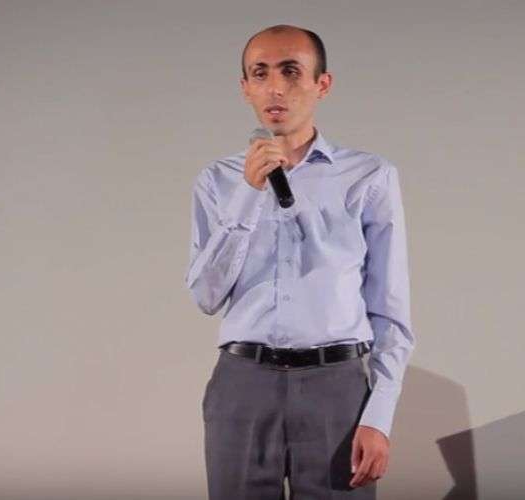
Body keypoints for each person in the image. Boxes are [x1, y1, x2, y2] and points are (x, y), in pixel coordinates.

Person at [185, 24, 415, 499]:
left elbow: (391, 309)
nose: (275, 87)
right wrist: (249, 194)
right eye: (260, 73)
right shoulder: (218, 180)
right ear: (245, 87)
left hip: (337, 386)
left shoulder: (368, 176)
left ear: (321, 84)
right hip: (243, 384)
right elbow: (206, 296)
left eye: (291, 71)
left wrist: (379, 416)